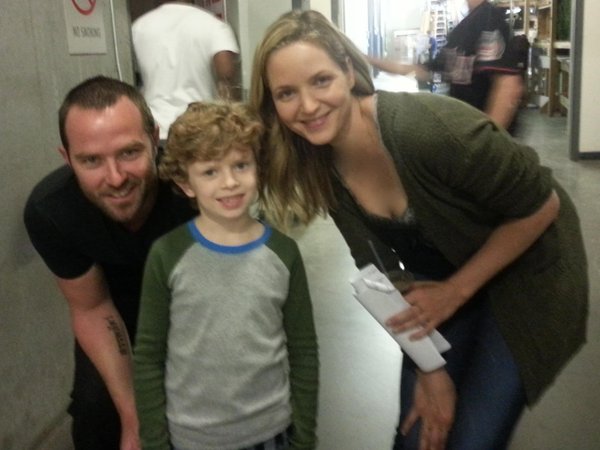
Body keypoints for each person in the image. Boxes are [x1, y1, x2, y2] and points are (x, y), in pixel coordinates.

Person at [249, 10, 587, 450]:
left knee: (473, 439)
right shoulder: (320, 163)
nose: (308, 106)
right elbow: (377, 269)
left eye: (320, 81)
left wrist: (455, 292)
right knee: (417, 434)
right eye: (287, 93)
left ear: (348, 72)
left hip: (530, 265)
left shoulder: (426, 130)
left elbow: (543, 205)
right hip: (446, 263)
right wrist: (430, 369)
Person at [133, 101, 319, 450]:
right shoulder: (167, 255)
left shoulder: (284, 253)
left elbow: (304, 350)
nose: (230, 182)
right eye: (210, 172)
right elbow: (148, 357)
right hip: (192, 438)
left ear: (258, 167)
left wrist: (305, 437)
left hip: (270, 432)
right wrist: (154, 441)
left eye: (240, 165)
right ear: (186, 183)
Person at [23, 76, 196, 450]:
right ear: (67, 158)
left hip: (195, 310)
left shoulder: (196, 188)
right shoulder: (52, 212)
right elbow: (92, 307)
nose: (115, 178)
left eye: (129, 153)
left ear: (154, 139)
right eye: (91, 161)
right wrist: (134, 419)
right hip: (115, 313)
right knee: (98, 413)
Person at [368, 0, 525, 134]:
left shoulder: (489, 19)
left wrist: (491, 141)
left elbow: (508, 85)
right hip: (467, 133)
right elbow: (422, 70)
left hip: (484, 139)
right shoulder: (461, 31)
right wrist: (367, 60)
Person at [132, 0, 240, 142]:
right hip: (201, 131)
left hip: (155, 130)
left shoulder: (138, 27)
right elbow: (226, 76)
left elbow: (132, 78)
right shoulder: (213, 25)